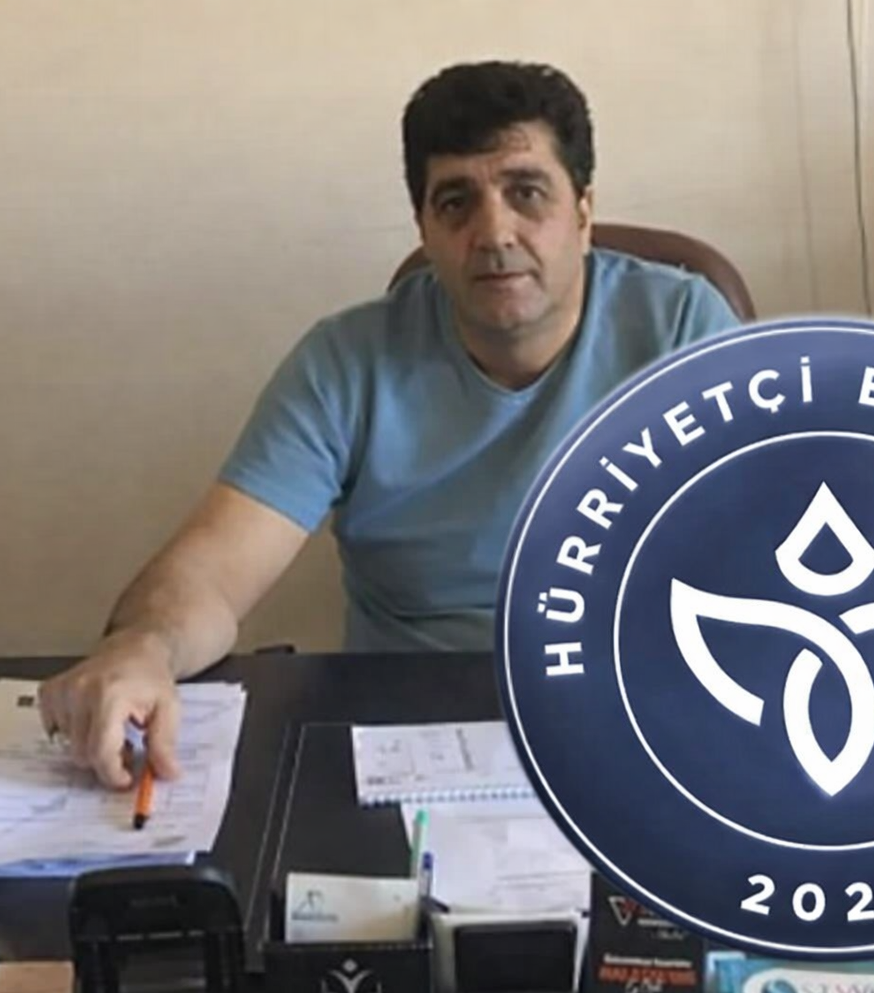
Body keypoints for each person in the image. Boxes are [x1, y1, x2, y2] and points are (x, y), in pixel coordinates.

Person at [38, 60, 742, 788]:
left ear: (584, 213)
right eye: (456, 203)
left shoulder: (682, 330)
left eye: (527, 193)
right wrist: (144, 647)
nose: (493, 232)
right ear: (424, 230)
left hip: (631, 712)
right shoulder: (346, 364)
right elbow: (213, 572)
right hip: (410, 739)